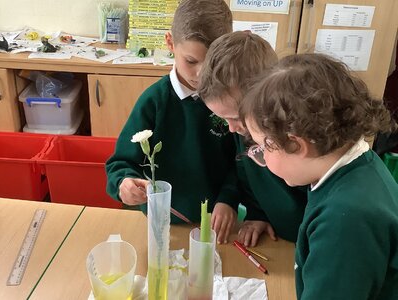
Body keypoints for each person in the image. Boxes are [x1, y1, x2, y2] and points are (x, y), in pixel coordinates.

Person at [240, 53, 398, 299]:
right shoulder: (357, 167)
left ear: (297, 145)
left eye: (262, 148)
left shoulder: (345, 219)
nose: (260, 158)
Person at [106, 0, 240, 243]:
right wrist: (124, 184)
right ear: (170, 43)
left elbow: (242, 161)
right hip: (159, 226)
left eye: (212, 63)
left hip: (215, 228)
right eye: (191, 61)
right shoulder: (154, 101)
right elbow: (120, 164)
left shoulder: (230, 102)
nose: (201, 73)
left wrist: (228, 198)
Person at [198, 31, 307, 246]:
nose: (231, 129)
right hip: (276, 238)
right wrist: (258, 214)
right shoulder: (244, 129)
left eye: (235, 118)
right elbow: (246, 174)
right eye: (223, 120)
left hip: (308, 243)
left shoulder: (295, 140)